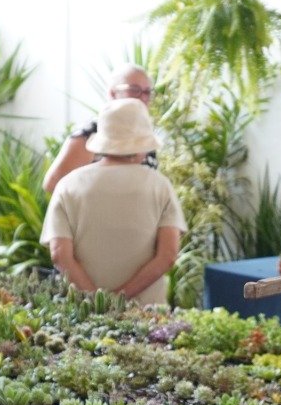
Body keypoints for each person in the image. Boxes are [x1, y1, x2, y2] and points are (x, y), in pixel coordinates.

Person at [41, 98, 185, 305]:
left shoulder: (68, 185)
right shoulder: (160, 186)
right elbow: (168, 255)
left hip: (81, 311)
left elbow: (59, 255)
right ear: (143, 145)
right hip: (147, 313)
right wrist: (120, 297)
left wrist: (97, 301)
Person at [44, 64, 156, 194]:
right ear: (112, 93)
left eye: (147, 92)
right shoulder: (91, 134)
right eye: (134, 90)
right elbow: (53, 184)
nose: (143, 97)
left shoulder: (145, 134)